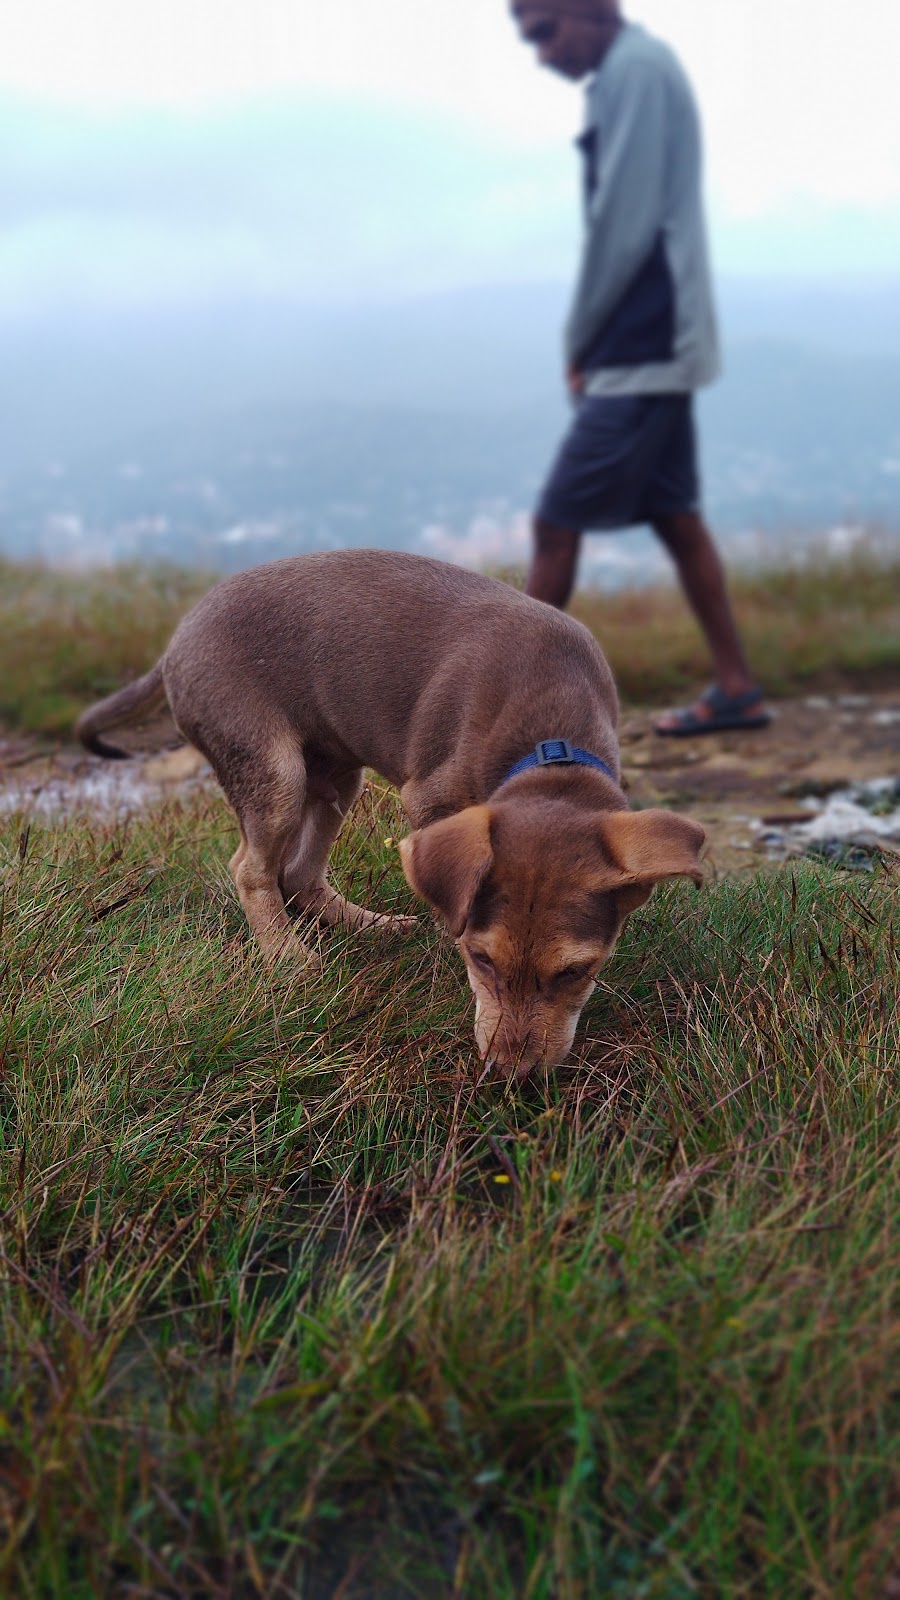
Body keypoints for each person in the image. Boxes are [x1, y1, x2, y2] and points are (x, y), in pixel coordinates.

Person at [510, 0, 770, 735]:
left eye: (546, 32)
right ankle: (738, 686)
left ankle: (509, 704)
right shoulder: (627, 72)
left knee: (556, 524)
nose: (542, 54)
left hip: (642, 344)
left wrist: (580, 339)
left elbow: (623, 226)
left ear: (588, 11)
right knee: (678, 519)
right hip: (655, 340)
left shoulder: (636, 72)